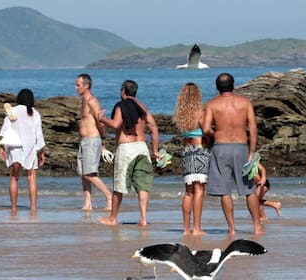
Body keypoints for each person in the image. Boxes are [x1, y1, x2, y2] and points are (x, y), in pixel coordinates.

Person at [201, 72, 263, 236]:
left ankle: (231, 228)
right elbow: (253, 128)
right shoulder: (245, 103)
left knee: (224, 191)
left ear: (217, 87)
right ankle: (257, 227)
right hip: (241, 146)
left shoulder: (212, 104)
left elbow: (206, 128)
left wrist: (215, 136)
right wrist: (252, 150)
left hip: (221, 147)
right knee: (249, 189)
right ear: (233, 85)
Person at [97, 79, 161, 226]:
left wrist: (102, 119)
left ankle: (113, 219)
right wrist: (155, 151)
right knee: (143, 184)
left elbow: (116, 124)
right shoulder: (142, 107)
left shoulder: (121, 105)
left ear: (123, 92)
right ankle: (143, 218)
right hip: (142, 148)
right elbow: (154, 128)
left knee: (119, 186)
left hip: (127, 148)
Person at [0, 88, 46, 216]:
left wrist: (2, 147)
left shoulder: (12, 111)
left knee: (14, 178)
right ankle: (33, 208)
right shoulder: (35, 113)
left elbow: (5, 131)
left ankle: (14, 208)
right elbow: (39, 135)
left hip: (14, 147)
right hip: (30, 147)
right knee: (31, 178)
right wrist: (41, 152)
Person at [174, 82, 209, 236]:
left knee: (188, 192)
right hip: (199, 151)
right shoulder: (201, 113)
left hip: (187, 151)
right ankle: (197, 228)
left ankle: (186, 229)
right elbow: (206, 131)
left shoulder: (181, 115)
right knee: (199, 190)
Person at [75, 73, 112, 212]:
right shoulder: (83, 101)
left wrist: (102, 142)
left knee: (89, 173)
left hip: (92, 140)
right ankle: (87, 203)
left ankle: (109, 196)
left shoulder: (92, 101)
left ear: (86, 85)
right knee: (83, 173)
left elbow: (100, 122)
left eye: (78, 85)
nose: (76, 87)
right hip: (84, 141)